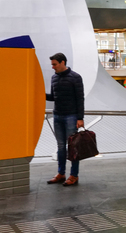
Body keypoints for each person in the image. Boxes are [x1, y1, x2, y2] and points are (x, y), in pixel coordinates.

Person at [45, 53, 85, 187]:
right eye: (52, 64)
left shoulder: (75, 77)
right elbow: (53, 97)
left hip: (71, 116)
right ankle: (61, 174)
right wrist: (40, 93)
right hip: (57, 115)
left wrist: (80, 118)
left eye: (54, 64)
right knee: (61, 147)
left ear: (63, 62)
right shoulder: (54, 78)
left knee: (73, 147)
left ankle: (74, 175)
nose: (53, 67)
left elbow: (80, 98)